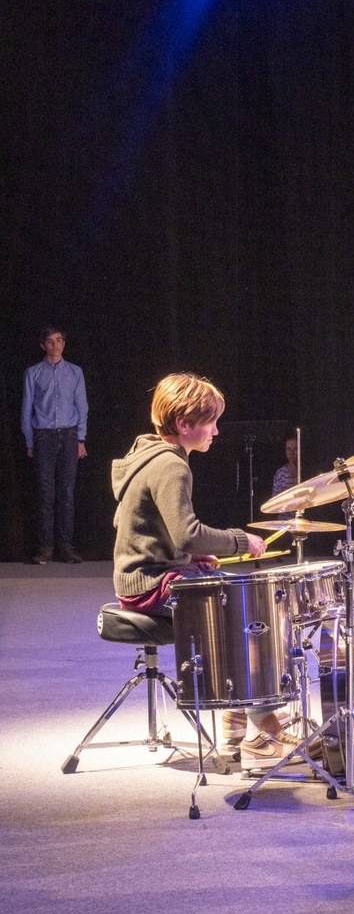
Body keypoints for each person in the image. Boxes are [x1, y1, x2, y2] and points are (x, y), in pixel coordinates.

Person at [111, 372, 300, 773]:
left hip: (144, 577)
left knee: (238, 595)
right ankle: (263, 732)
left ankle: (237, 717)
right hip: (151, 585)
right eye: (210, 422)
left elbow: (151, 533)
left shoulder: (148, 454)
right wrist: (239, 540)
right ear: (184, 424)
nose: (216, 430)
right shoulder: (171, 465)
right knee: (249, 613)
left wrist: (191, 560)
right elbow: (186, 533)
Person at [21, 324, 88, 564]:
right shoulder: (33, 373)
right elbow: (27, 409)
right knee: (45, 494)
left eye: (58, 340)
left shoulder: (75, 372)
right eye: (50, 341)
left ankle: (66, 547)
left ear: (64, 343)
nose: (55, 345)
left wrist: (81, 439)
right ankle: (46, 547)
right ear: (43, 345)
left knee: (67, 493)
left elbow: (82, 406)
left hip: (69, 436)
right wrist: (30, 441)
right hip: (43, 437)